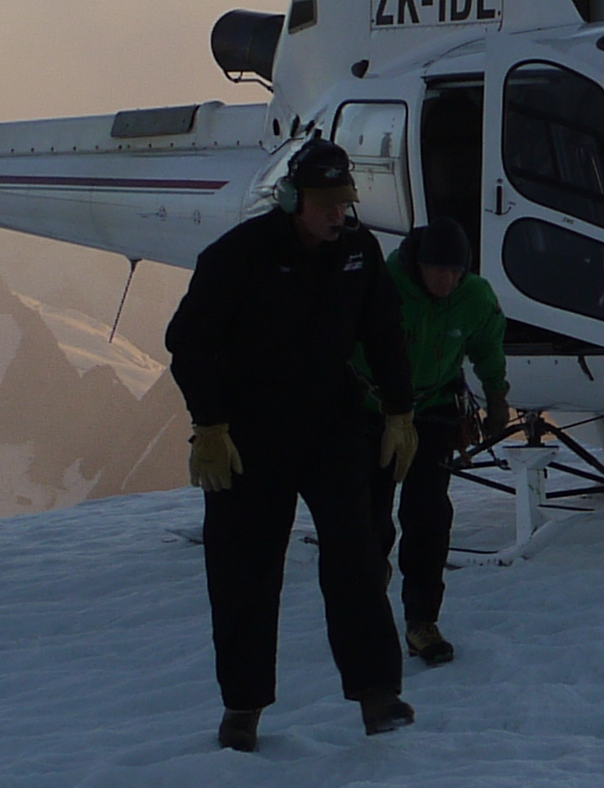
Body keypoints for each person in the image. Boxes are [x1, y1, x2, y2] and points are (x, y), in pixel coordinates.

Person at [165, 139, 421, 751]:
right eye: (326, 203)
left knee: (357, 559)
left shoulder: (360, 253)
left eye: (345, 202)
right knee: (244, 571)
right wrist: (211, 425)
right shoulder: (238, 256)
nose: (338, 215)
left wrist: (399, 410)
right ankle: (243, 709)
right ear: (292, 200)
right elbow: (190, 342)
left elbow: (386, 334)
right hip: (249, 433)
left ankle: (377, 695)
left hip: (331, 424)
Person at [381, 222, 512, 666]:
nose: (447, 281)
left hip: (434, 408)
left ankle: (422, 621)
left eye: (456, 272)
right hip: (371, 412)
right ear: (417, 266)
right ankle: (366, 600)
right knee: (366, 517)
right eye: (438, 271)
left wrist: (497, 398)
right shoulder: (382, 289)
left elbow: (488, 347)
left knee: (429, 516)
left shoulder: (474, 297)